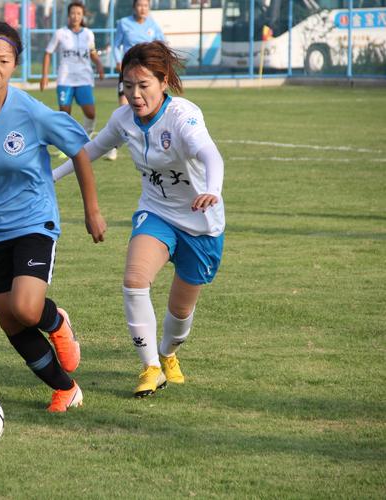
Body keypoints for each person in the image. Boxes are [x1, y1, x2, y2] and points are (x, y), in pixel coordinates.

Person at [0, 22, 107, 413]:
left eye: (3, 61)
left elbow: (80, 150)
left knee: (26, 309)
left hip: (33, 220)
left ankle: (56, 322)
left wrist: (91, 210)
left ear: (14, 66)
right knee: (9, 320)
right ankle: (65, 388)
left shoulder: (30, 111)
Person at [53, 41, 225, 398]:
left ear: (163, 81)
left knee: (180, 311)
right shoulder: (123, 119)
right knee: (134, 279)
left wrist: (213, 189)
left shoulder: (183, 116)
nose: (134, 94)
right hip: (156, 212)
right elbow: (90, 151)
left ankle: (168, 354)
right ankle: (150, 368)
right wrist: (50, 176)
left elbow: (210, 154)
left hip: (200, 222)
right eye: (128, 85)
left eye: (143, 85)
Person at [107, 0, 164, 161]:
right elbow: (116, 45)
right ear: (134, 7)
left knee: (151, 110)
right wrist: (118, 61)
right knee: (124, 108)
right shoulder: (124, 23)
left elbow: (162, 45)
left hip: (147, 75)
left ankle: (152, 144)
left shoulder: (153, 25)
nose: (143, 8)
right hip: (128, 72)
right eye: (140, 5)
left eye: (146, 5)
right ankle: (113, 147)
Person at [40, 1, 105, 141]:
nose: (75, 16)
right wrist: (44, 75)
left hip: (84, 78)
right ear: (68, 15)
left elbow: (92, 52)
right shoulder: (60, 33)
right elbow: (48, 53)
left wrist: (99, 64)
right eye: (73, 13)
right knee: (64, 114)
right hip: (65, 79)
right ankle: (67, 142)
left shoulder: (88, 34)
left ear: (83, 16)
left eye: (79, 13)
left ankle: (85, 138)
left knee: (90, 113)